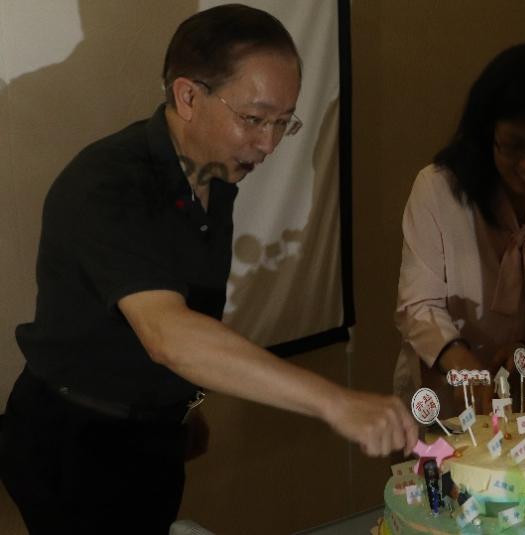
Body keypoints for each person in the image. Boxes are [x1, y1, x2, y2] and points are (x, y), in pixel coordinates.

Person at [0, 5, 416, 533]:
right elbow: (168, 335)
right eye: (254, 119)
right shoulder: (106, 185)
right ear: (188, 97)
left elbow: (182, 306)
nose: (269, 144)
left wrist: (180, 406)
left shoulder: (212, 178)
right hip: (75, 443)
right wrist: (336, 403)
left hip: (151, 431)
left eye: (283, 122)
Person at [394, 43, 525, 417]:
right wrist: (460, 361)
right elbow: (418, 304)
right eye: (513, 146)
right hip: (444, 395)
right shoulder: (439, 189)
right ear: (487, 131)